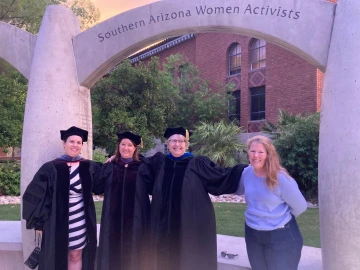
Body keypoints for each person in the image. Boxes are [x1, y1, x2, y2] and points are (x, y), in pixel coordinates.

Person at [138, 127, 247, 270]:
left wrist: (245, 169)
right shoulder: (160, 161)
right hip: (162, 220)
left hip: (189, 220)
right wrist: (116, 158)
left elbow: (220, 175)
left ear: (186, 143)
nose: (177, 144)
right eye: (173, 141)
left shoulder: (197, 162)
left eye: (181, 141)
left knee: (187, 254)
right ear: (168, 143)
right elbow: (140, 163)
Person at [22, 126, 101, 270]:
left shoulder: (88, 166)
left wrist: (115, 159)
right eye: (72, 141)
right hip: (56, 220)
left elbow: (107, 179)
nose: (75, 145)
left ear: (82, 145)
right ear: (64, 143)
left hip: (80, 219)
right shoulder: (50, 168)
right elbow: (35, 196)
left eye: (79, 142)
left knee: (76, 254)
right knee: (56, 256)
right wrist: (39, 223)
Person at [236, 135, 307, 270]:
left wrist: (277, 218)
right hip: (252, 234)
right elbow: (239, 190)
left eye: (261, 152)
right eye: (252, 151)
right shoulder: (246, 173)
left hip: (281, 236)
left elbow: (300, 206)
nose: (256, 155)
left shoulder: (281, 178)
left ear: (269, 154)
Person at [94, 131, 150, 270]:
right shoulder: (110, 167)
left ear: (135, 148)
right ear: (118, 146)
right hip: (112, 220)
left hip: (136, 222)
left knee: (134, 252)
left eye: (130, 145)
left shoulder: (142, 168)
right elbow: (97, 186)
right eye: (123, 144)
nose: (126, 148)